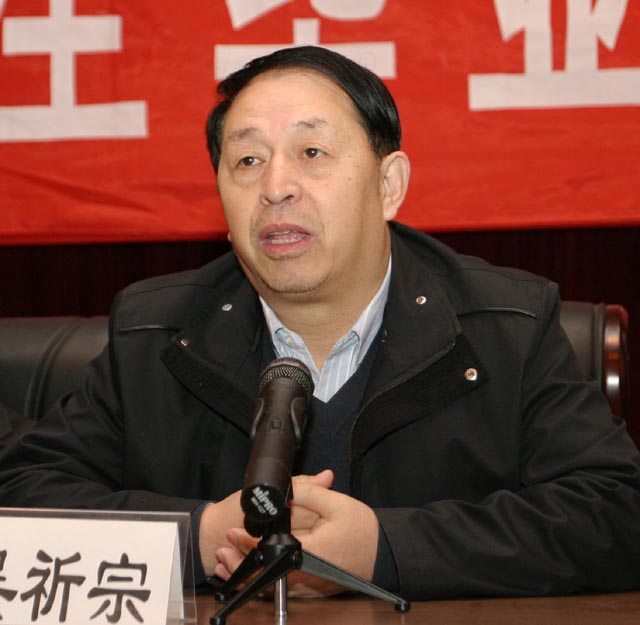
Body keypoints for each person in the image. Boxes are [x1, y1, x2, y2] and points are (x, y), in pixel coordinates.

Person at [0, 45, 639, 600]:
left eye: (312, 152)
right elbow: (22, 494)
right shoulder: (155, 333)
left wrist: (388, 549)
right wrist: (197, 535)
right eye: (247, 161)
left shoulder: (507, 327)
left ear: (389, 185)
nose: (276, 186)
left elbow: (618, 512)